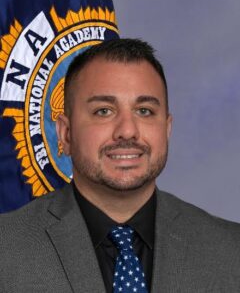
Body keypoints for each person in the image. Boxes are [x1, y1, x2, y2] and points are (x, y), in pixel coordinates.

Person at [0, 39, 240, 293]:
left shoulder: (231, 251)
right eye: (104, 111)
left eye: (145, 111)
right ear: (66, 134)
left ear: (167, 129)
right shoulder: (6, 248)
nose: (127, 131)